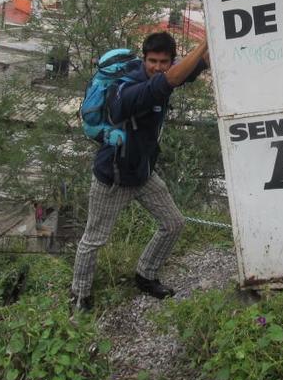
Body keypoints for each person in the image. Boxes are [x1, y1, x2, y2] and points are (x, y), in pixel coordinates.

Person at [71, 32, 209, 308]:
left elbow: (188, 71)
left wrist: (208, 54)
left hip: (143, 173)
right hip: (113, 177)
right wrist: (206, 40)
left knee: (173, 224)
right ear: (143, 59)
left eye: (164, 61)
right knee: (94, 240)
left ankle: (146, 275)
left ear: (171, 60)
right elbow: (169, 81)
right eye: (152, 61)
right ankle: (79, 295)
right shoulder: (128, 89)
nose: (157, 66)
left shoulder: (164, 74)